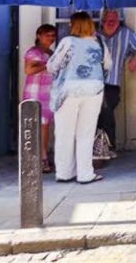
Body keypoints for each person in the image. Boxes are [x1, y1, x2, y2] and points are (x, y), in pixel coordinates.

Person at [47, 11, 110, 184]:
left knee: (64, 133)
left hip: (69, 90)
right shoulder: (100, 43)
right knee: (86, 133)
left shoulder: (68, 42)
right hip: (94, 90)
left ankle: (65, 172)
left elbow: (52, 66)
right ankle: (85, 173)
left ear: (74, 25)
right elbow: (108, 66)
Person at [96, 9, 136, 154]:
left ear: (119, 22)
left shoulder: (126, 34)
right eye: (108, 20)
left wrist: (135, 57)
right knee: (94, 116)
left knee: (107, 114)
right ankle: (96, 148)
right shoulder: (95, 35)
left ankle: (109, 147)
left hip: (112, 83)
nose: (111, 23)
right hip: (93, 83)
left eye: (114, 20)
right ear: (102, 21)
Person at [23, 24, 57, 173]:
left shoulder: (51, 52)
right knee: (37, 125)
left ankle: (43, 155)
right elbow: (29, 70)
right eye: (47, 35)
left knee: (45, 125)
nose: (51, 38)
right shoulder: (33, 52)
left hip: (48, 92)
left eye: (52, 35)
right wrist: (47, 65)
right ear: (39, 35)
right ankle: (40, 158)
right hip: (34, 92)